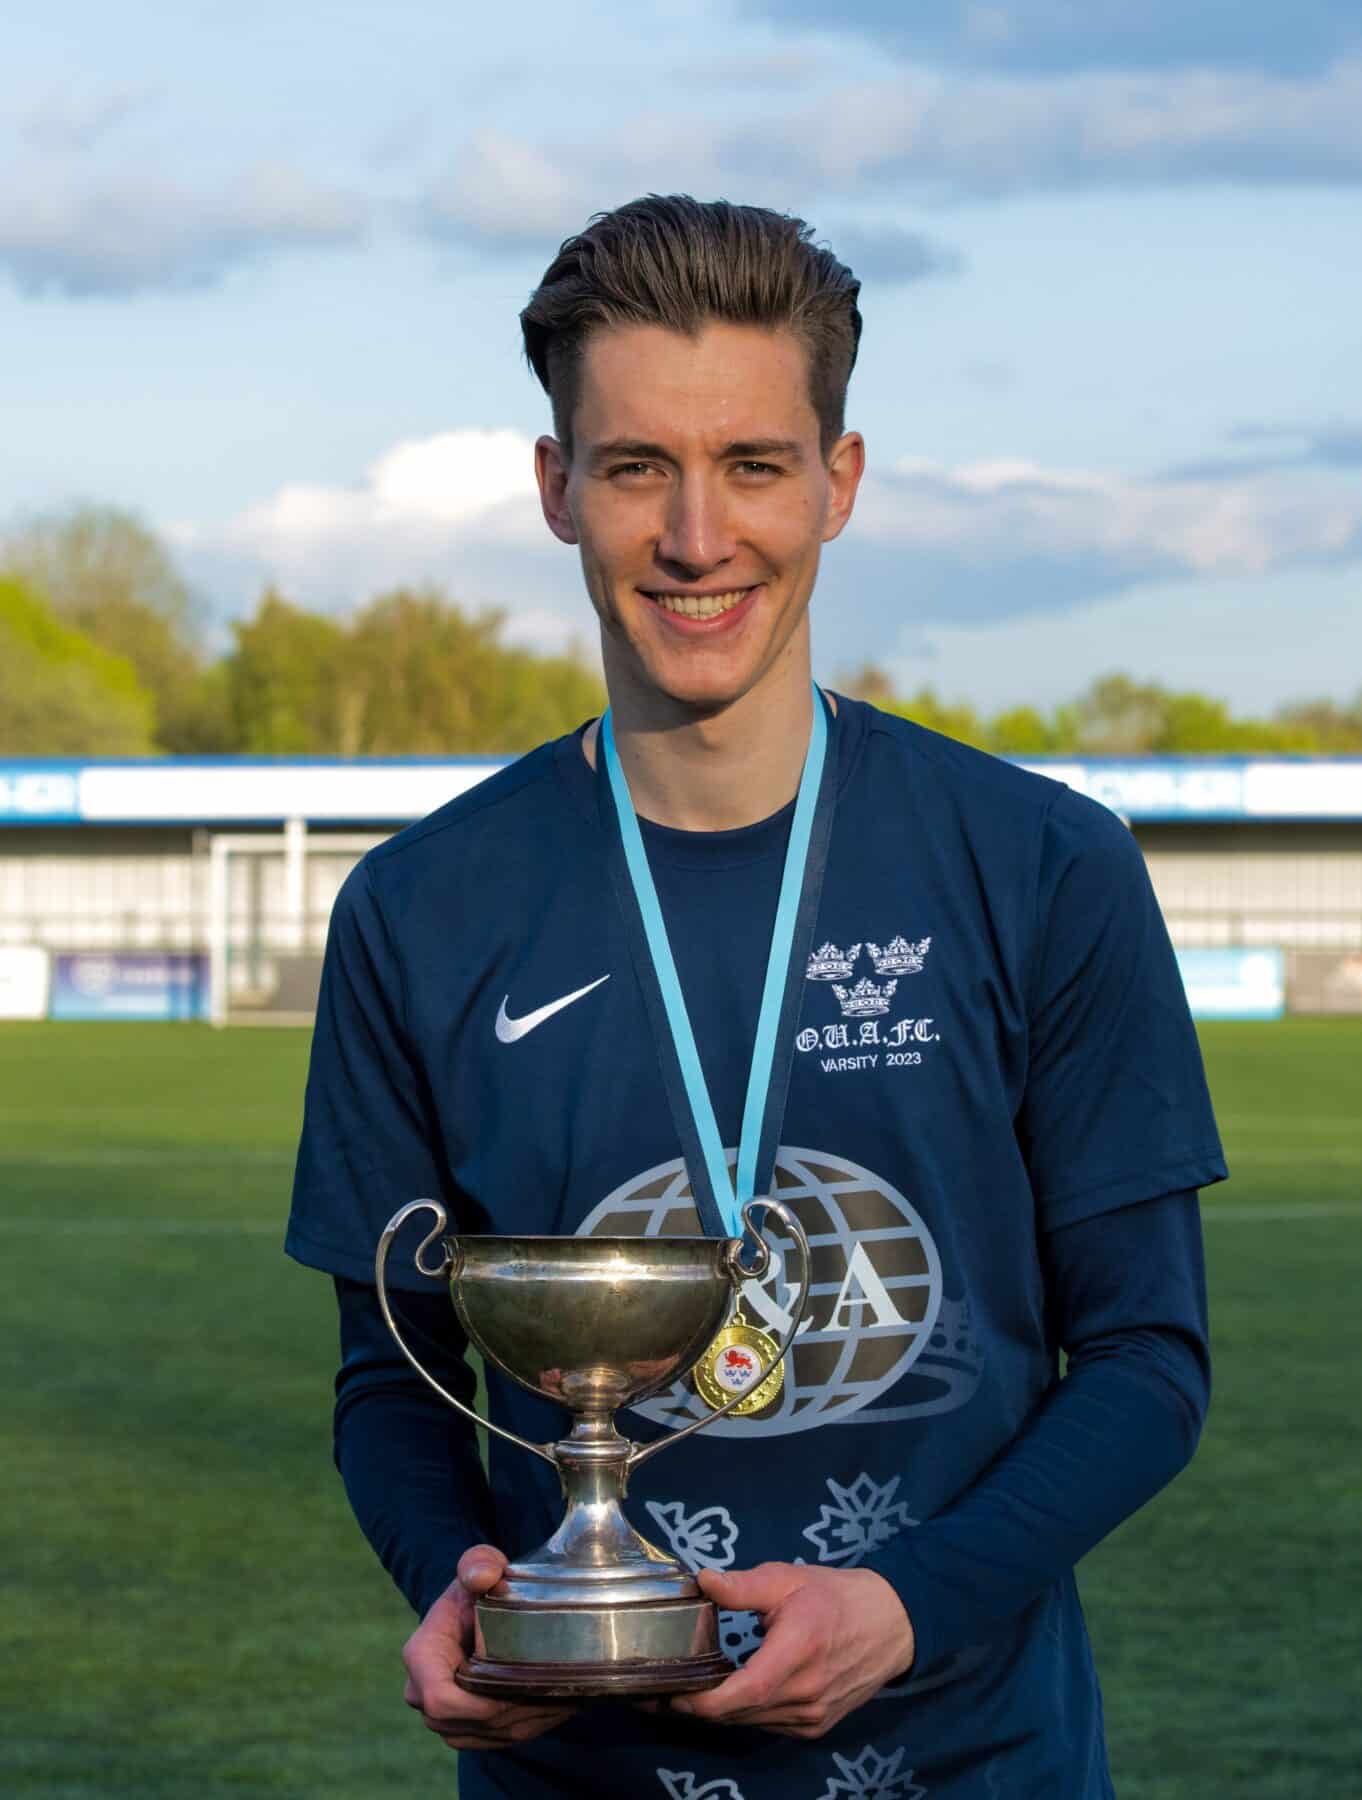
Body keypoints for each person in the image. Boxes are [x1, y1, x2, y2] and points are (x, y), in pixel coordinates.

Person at [286, 195, 1226, 1799]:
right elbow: (395, 1377)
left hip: (974, 1762)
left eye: (755, 465)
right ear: (557, 490)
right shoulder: (419, 907)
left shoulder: (1047, 864)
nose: (698, 537)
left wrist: (906, 1604)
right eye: (638, 465)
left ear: (839, 484)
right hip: (571, 1771)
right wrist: (456, 1583)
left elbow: (1147, 1355)